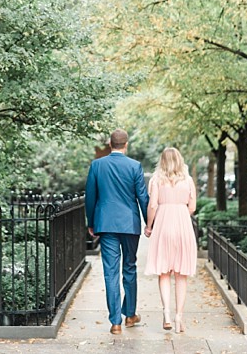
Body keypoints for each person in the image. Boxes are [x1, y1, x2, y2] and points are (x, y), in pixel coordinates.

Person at [84, 129, 150, 334]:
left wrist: (91, 222)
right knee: (129, 267)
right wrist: (150, 223)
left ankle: (115, 322)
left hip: (106, 224)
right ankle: (130, 315)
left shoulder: (97, 165)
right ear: (126, 144)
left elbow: (90, 197)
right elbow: (143, 197)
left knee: (110, 272)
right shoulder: (134, 166)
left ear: (110, 144)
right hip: (129, 224)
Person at [143, 146, 197, 334]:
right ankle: (179, 317)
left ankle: (166, 313)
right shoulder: (188, 180)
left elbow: (152, 205)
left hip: (163, 225)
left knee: (164, 272)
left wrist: (149, 226)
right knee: (181, 274)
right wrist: (180, 209)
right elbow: (192, 207)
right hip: (183, 225)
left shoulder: (156, 180)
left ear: (162, 161)